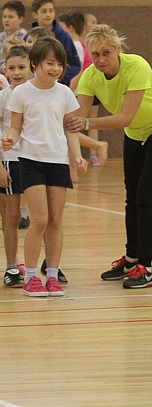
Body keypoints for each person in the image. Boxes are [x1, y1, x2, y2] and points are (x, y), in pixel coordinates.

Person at [73, 25, 152, 288]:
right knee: (132, 197)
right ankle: (132, 258)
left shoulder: (136, 66)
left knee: (147, 197)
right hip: (136, 134)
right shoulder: (90, 76)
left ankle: (146, 266)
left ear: (118, 49)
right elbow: (78, 115)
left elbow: (125, 117)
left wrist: (86, 124)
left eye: (106, 53)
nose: (101, 59)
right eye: (95, 54)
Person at [2, 38, 87, 296]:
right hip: (31, 161)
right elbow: (15, 127)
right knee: (39, 219)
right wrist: (10, 140)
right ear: (35, 64)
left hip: (58, 161)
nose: (56, 69)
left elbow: (70, 129)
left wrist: (78, 156)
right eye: (50, 63)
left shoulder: (64, 93)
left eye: (59, 64)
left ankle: (51, 275)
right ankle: (30, 276)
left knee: (56, 220)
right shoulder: (21, 93)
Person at [0, 46, 32, 287]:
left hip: (35, 160)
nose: (17, 72)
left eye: (21, 67)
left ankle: (48, 266)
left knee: (44, 216)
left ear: (32, 68)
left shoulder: (37, 94)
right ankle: (12, 266)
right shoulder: (3, 97)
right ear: (5, 70)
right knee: (11, 216)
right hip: (10, 160)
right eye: (12, 68)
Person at [60, 10, 109, 167]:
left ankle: (95, 147)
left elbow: (80, 70)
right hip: (81, 89)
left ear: (70, 28)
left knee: (68, 126)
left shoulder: (75, 45)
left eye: (61, 29)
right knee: (71, 126)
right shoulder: (80, 44)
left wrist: (68, 89)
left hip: (78, 91)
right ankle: (74, 168)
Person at [28, 0, 81, 86]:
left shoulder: (64, 36)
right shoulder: (28, 37)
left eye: (51, 11)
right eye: (44, 11)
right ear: (35, 15)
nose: (48, 14)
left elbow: (75, 64)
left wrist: (59, 77)